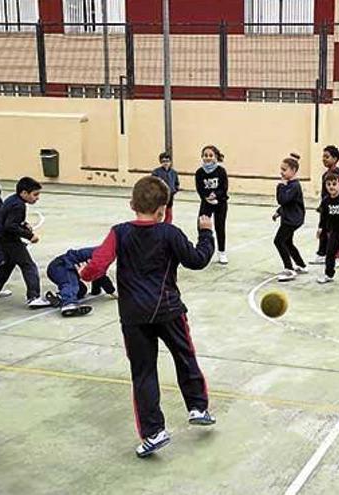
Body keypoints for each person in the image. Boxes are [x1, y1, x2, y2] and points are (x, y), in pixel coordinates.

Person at [80, 175, 216, 458]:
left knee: (143, 373)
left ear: (131, 204)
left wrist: (84, 273)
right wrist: (206, 233)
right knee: (185, 357)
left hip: (133, 316)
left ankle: (154, 432)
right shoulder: (170, 232)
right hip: (169, 310)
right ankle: (198, 407)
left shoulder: (118, 233)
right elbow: (197, 259)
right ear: (163, 210)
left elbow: (98, 265)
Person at [0, 177, 52, 308]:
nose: (37, 198)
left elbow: (9, 219)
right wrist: (29, 235)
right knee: (28, 265)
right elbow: (10, 226)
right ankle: (34, 297)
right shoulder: (18, 205)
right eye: (35, 194)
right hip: (9, 241)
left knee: (8, 264)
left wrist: (24, 224)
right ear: (24, 193)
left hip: (0, 238)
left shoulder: (12, 200)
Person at [44, 246, 116, 317]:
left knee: (81, 290)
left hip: (63, 268)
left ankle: (57, 298)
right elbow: (100, 275)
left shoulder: (104, 255)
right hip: (60, 266)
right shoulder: (101, 254)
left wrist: (96, 291)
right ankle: (68, 305)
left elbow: (98, 275)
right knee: (71, 283)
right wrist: (112, 291)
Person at [311, 145, 339, 265]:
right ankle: (322, 254)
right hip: (326, 208)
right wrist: (322, 206)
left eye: (327, 157)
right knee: (323, 230)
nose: (324, 159)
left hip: (336, 208)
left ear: (335, 159)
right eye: (323, 156)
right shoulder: (325, 175)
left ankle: (337, 257)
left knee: (334, 232)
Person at [273, 153, 308, 282]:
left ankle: (289, 269)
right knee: (288, 242)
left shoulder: (293, 185)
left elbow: (282, 200)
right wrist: (279, 212)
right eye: (281, 169)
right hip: (290, 218)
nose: (281, 172)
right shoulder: (290, 184)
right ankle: (301, 265)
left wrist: (280, 186)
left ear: (293, 171)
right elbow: (287, 204)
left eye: (284, 169)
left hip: (292, 220)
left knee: (278, 241)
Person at [195, 145, 229, 264]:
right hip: (206, 202)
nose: (208, 158)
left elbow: (224, 187)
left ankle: (222, 252)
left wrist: (216, 195)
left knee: (220, 227)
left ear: (215, 157)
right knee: (201, 224)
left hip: (220, 202)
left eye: (210, 155)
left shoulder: (221, 171)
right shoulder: (199, 172)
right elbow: (199, 188)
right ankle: (203, 249)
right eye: (205, 155)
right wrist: (206, 197)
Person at [152, 151, 179, 224]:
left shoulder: (174, 172)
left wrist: (175, 190)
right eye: (163, 161)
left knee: (169, 210)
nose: (166, 163)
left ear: (170, 162)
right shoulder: (156, 172)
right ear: (161, 162)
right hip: (160, 195)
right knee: (159, 209)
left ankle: (167, 223)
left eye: (167, 161)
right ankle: (156, 222)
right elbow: (153, 183)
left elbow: (176, 183)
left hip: (170, 194)